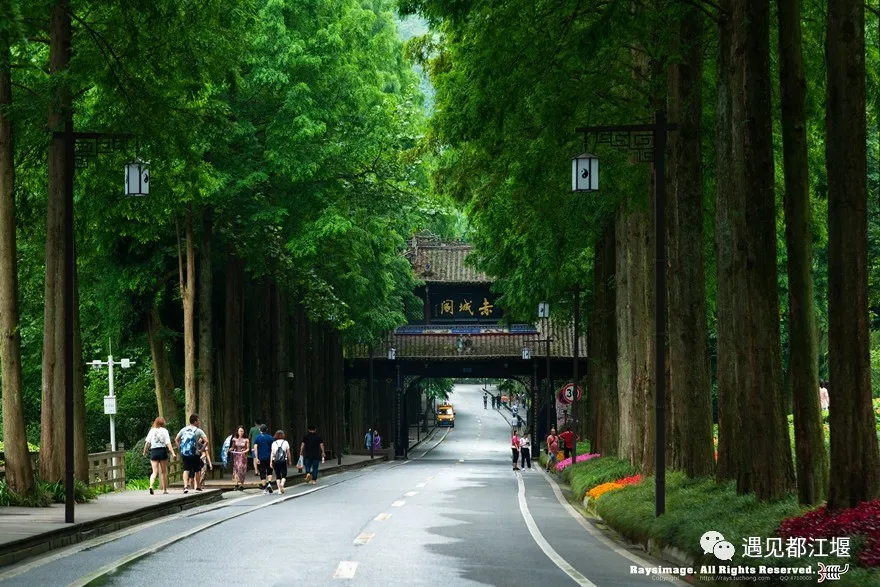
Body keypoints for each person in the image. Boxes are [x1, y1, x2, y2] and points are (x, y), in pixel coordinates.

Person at [175, 414, 207, 494]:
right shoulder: (198, 431)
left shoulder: (184, 429)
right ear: (195, 421)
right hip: (195, 453)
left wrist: (181, 449)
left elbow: (176, 439)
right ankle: (198, 486)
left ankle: (185, 486)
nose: (199, 422)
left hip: (185, 453)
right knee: (197, 470)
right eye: (198, 420)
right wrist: (201, 450)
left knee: (186, 469)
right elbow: (206, 441)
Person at [143, 417, 175, 495]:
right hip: (162, 451)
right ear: (163, 423)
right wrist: (173, 453)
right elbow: (168, 443)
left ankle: (151, 486)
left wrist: (145, 452)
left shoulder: (152, 430)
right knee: (163, 472)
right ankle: (164, 490)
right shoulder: (165, 431)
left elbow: (147, 443)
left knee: (154, 472)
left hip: (154, 451)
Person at [252, 424, 275, 494]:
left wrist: (256, 457)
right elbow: (273, 448)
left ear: (260, 430)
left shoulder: (257, 438)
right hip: (269, 457)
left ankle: (264, 488)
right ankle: (270, 484)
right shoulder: (271, 438)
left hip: (261, 457)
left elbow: (255, 448)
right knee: (269, 471)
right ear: (266, 429)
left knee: (262, 472)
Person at [229, 426, 249, 491]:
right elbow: (233, 447)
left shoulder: (246, 440)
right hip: (236, 456)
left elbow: (248, 448)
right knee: (236, 469)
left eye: (242, 431)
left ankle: (242, 484)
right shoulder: (234, 439)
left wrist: (244, 451)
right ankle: (237, 483)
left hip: (243, 457)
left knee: (241, 469)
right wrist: (230, 449)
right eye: (240, 431)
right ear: (237, 431)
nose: (241, 432)